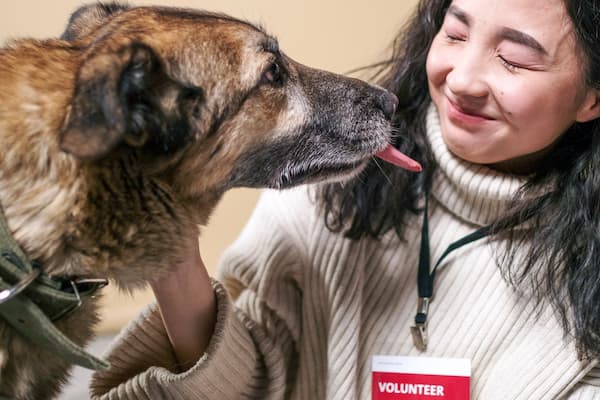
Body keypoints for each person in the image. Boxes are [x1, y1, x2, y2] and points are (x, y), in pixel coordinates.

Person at [90, 0, 600, 398]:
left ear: (591, 96)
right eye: (455, 33)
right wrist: (168, 242)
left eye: (515, 60)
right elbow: (246, 386)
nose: (462, 79)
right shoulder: (329, 188)